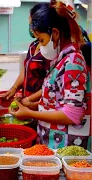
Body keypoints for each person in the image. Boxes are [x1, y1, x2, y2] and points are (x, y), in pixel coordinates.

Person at [9, 2, 91, 150]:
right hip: (53, 142)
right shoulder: (60, 59)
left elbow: (72, 114)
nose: (40, 45)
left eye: (42, 40)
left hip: (65, 146)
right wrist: (35, 106)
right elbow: (58, 100)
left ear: (55, 33)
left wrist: (31, 113)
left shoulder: (72, 62)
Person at [1, 4, 51, 110]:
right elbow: (26, 70)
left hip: (40, 105)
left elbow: (51, 85)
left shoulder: (50, 50)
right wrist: (14, 88)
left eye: (31, 21)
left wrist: (30, 100)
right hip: (27, 102)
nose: (30, 26)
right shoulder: (33, 46)